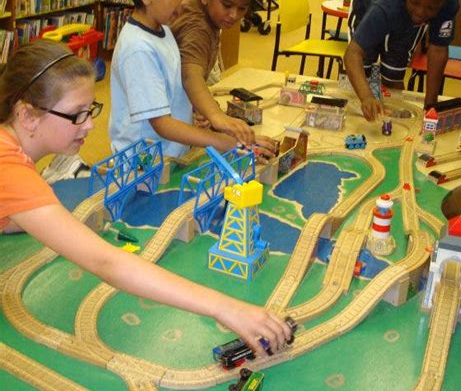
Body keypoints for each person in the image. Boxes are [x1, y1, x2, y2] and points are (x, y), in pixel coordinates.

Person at [0, 39, 292, 355]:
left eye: (91, 110)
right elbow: (106, 261)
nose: (91, 125)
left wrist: (36, 215)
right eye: (77, 115)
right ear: (27, 116)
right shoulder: (10, 168)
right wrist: (226, 308)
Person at [109, 0, 277, 159]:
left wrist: (207, 119)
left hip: (168, 154)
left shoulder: (163, 30)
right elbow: (162, 124)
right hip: (142, 162)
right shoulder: (138, 49)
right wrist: (225, 141)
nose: (184, 2)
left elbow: (175, 89)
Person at [344, 0, 459, 122]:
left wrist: (431, 104)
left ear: (443, 1)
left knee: (393, 73)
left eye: (430, 8)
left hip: (402, 16)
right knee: (364, 68)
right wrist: (366, 97)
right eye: (415, 3)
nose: (420, 12)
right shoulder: (386, 5)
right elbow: (353, 54)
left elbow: (438, 49)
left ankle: (395, 121)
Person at [171, 0, 256, 147]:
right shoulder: (198, 29)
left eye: (242, 8)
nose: (234, 15)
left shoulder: (205, 10)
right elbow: (189, 76)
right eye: (227, 5)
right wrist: (218, 117)